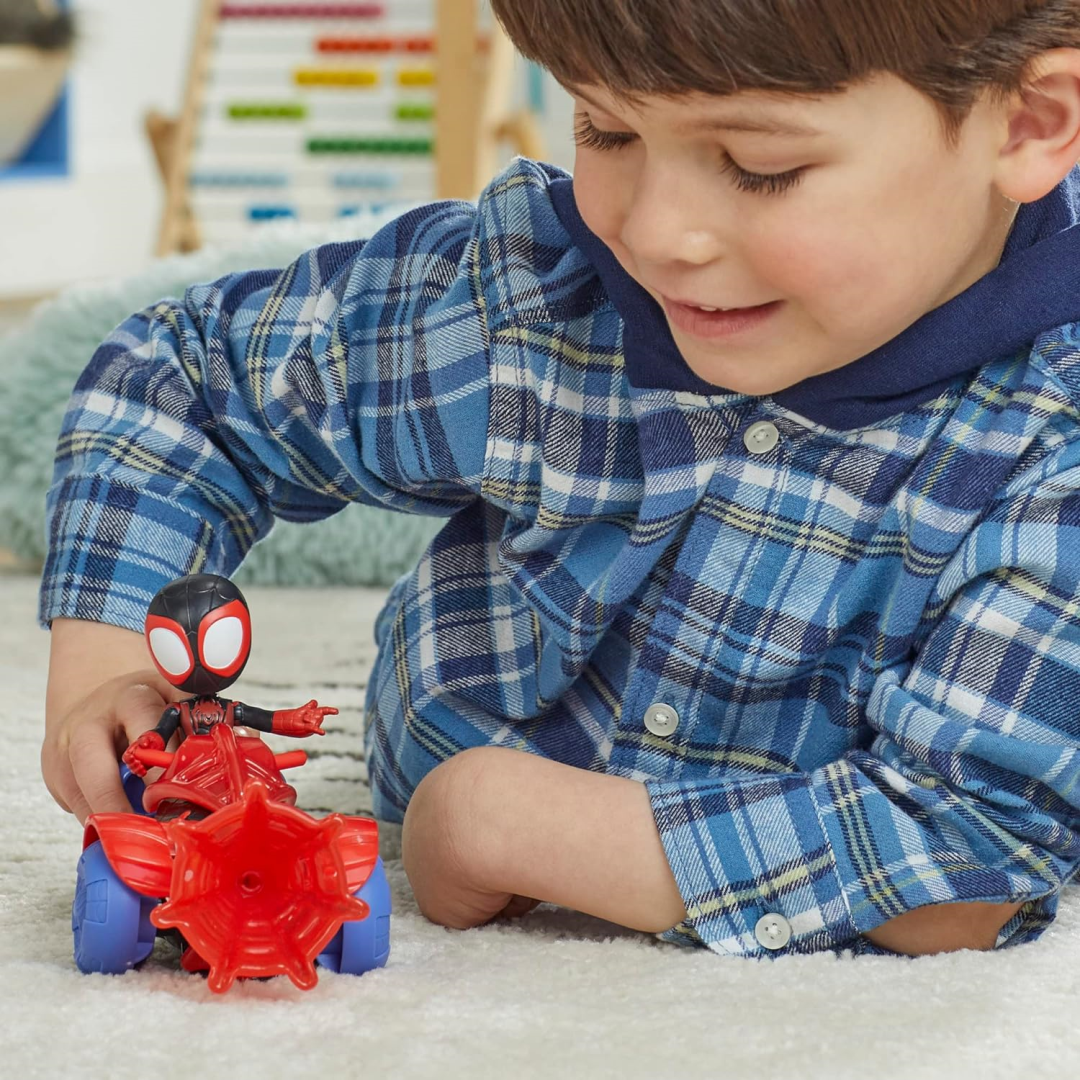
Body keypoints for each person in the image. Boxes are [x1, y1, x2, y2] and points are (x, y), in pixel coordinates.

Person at [40, 0, 1080, 958]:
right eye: (607, 130)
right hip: (439, 727)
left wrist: (508, 826)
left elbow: (971, 856)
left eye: (758, 166)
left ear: (1030, 123)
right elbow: (182, 381)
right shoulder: (540, 286)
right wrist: (106, 669)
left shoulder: (1053, 444)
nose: (657, 233)